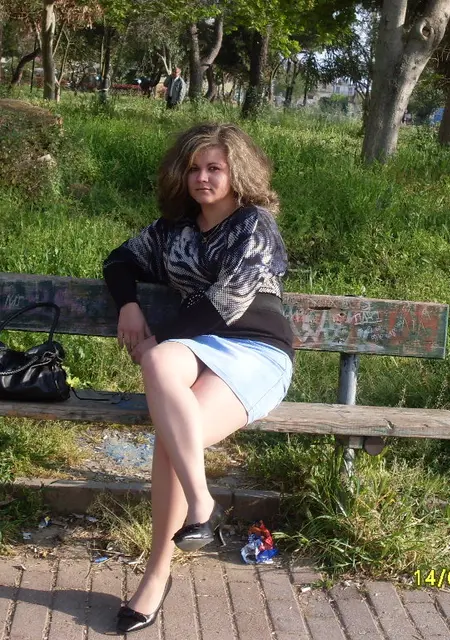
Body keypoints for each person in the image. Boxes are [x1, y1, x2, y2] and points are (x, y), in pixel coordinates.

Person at [103, 122, 294, 634]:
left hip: (255, 349)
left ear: (237, 173)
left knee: (172, 438)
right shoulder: (174, 231)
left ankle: (156, 574)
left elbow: (225, 303)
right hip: (196, 346)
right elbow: (119, 261)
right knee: (160, 364)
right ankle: (202, 504)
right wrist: (129, 306)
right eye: (193, 168)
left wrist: (159, 337)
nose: (202, 178)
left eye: (214, 168)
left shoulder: (254, 225)